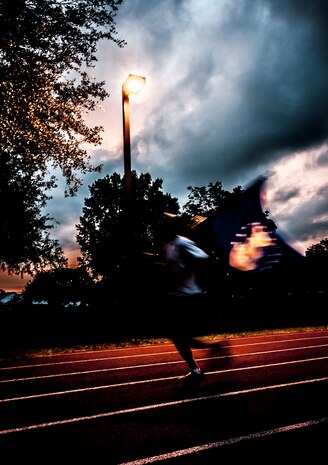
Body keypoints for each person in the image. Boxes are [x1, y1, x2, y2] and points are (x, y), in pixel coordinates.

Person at [160, 213, 211, 385]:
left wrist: (184, 271)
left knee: (179, 334)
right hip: (178, 296)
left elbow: (203, 258)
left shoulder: (182, 242)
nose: (162, 226)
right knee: (178, 335)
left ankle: (210, 353)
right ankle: (199, 365)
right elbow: (172, 268)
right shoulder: (168, 245)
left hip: (190, 296)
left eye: (165, 223)